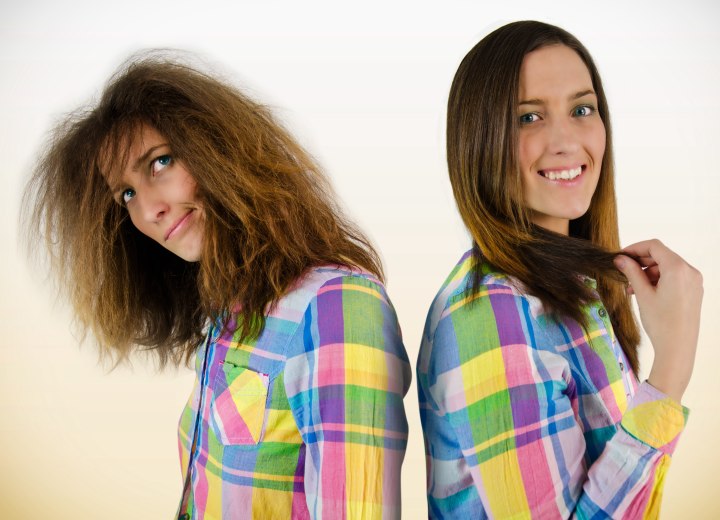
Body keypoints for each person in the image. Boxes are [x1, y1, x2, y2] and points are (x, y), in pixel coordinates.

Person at [23, 54, 410, 519]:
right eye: (125, 194)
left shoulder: (337, 308)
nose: (148, 210)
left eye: (159, 162)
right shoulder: (227, 315)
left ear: (220, 148)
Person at [417, 21, 702, 519]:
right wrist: (671, 371)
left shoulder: (571, 289)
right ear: (481, 140)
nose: (567, 140)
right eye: (529, 117)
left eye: (581, 109)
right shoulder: (491, 317)